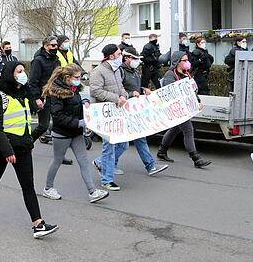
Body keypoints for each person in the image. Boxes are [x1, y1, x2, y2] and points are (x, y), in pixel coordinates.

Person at [0, 61, 58, 238]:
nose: (23, 74)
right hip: (0, 148)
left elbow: (25, 123)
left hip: (21, 147)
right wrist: (7, 152)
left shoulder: (23, 95)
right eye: (19, 71)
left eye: (24, 71)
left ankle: (38, 224)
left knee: (28, 186)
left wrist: (29, 144)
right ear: (9, 74)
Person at [41, 64, 110, 204]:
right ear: (67, 77)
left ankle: (92, 192)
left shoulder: (73, 88)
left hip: (76, 133)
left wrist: (83, 101)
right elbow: (58, 116)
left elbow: (74, 104)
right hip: (62, 134)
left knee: (84, 161)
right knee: (57, 161)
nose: (80, 80)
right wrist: (78, 123)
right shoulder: (56, 92)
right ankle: (48, 188)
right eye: (77, 77)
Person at [114, 47, 169, 177]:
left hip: (133, 111)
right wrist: (130, 94)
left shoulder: (133, 71)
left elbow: (135, 88)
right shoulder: (120, 71)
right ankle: (104, 162)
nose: (137, 61)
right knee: (121, 142)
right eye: (134, 58)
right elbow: (117, 91)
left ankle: (151, 166)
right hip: (123, 111)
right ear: (126, 58)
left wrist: (143, 89)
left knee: (139, 138)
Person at [156, 51, 212, 168]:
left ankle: (161, 151)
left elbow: (191, 90)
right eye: (184, 60)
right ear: (177, 62)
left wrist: (197, 101)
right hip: (176, 108)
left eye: (187, 60)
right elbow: (169, 92)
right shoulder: (170, 75)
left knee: (175, 129)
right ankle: (196, 158)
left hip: (184, 107)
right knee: (188, 130)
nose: (187, 63)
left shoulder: (187, 74)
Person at [90, 44, 129, 191]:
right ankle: (107, 180)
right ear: (111, 56)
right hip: (105, 115)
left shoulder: (117, 70)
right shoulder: (98, 71)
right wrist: (115, 98)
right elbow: (95, 91)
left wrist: (124, 96)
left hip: (117, 113)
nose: (121, 57)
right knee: (109, 147)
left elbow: (121, 88)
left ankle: (101, 163)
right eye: (119, 54)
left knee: (123, 144)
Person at [28, 36, 61, 144]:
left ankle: (60, 153)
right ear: (46, 46)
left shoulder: (56, 60)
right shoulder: (38, 61)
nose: (56, 47)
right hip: (44, 97)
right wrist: (37, 98)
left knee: (58, 126)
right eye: (53, 45)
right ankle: (28, 142)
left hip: (56, 96)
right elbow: (33, 82)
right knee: (43, 126)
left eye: (56, 45)